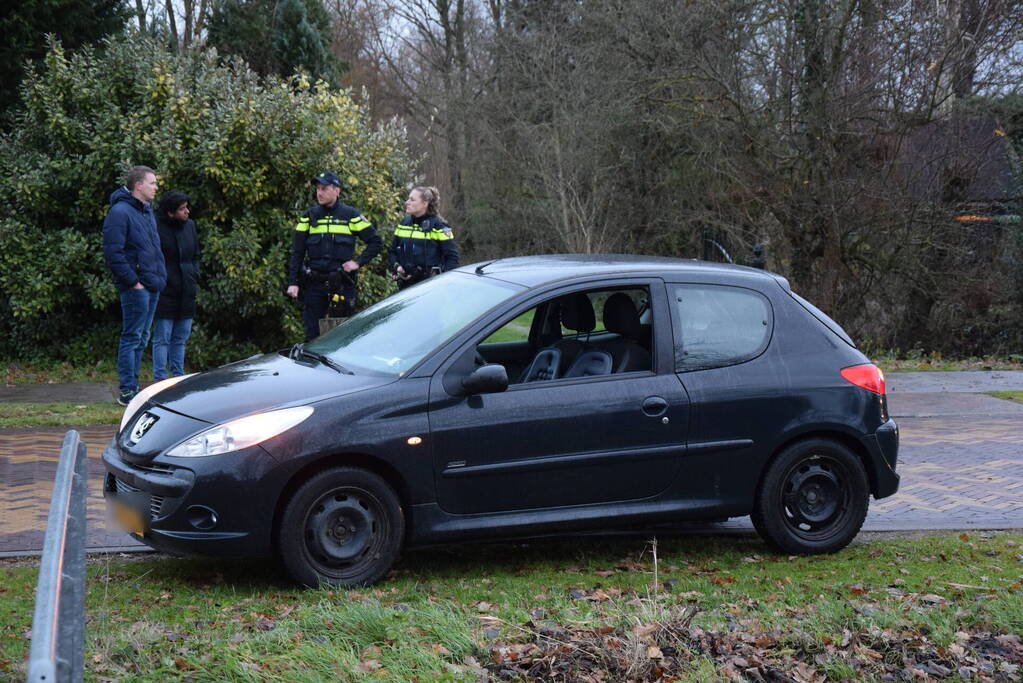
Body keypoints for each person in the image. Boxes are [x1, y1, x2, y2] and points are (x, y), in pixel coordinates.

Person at [287, 171, 382, 341]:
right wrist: (293, 282)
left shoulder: (351, 215)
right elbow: (297, 251)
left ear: (337, 190)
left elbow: (375, 242)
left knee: (343, 338)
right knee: (312, 337)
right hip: (314, 283)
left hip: (342, 284)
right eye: (318, 189)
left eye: (324, 188)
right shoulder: (308, 216)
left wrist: (358, 262)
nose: (319, 193)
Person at [102, 166, 166, 406]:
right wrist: (134, 282)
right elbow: (113, 252)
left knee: (142, 337)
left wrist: (158, 277)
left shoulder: (146, 211)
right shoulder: (120, 212)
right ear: (138, 185)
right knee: (132, 337)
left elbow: (152, 249)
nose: (156, 187)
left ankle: (134, 388)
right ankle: (127, 391)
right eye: (152, 183)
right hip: (136, 287)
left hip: (152, 284)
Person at [152, 191, 200, 382]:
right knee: (162, 338)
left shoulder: (190, 226)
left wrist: (194, 274)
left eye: (187, 207)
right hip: (164, 290)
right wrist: (160, 280)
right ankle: (160, 380)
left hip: (187, 290)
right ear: (170, 212)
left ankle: (178, 379)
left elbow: (195, 255)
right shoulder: (155, 226)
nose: (187, 211)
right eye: (182, 209)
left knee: (180, 338)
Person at [388, 186, 459, 290]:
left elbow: (452, 257)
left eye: (412, 200)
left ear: (425, 203)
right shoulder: (404, 223)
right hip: (405, 287)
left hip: (431, 288)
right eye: (408, 199)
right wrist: (397, 267)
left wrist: (444, 282)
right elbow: (392, 251)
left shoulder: (439, 226)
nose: (407, 202)